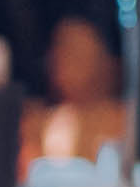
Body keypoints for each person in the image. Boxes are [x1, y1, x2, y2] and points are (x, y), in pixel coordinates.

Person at [22, 14, 134, 168]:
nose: (59, 60)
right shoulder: (32, 122)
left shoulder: (117, 121)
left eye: (73, 53)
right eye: (58, 49)